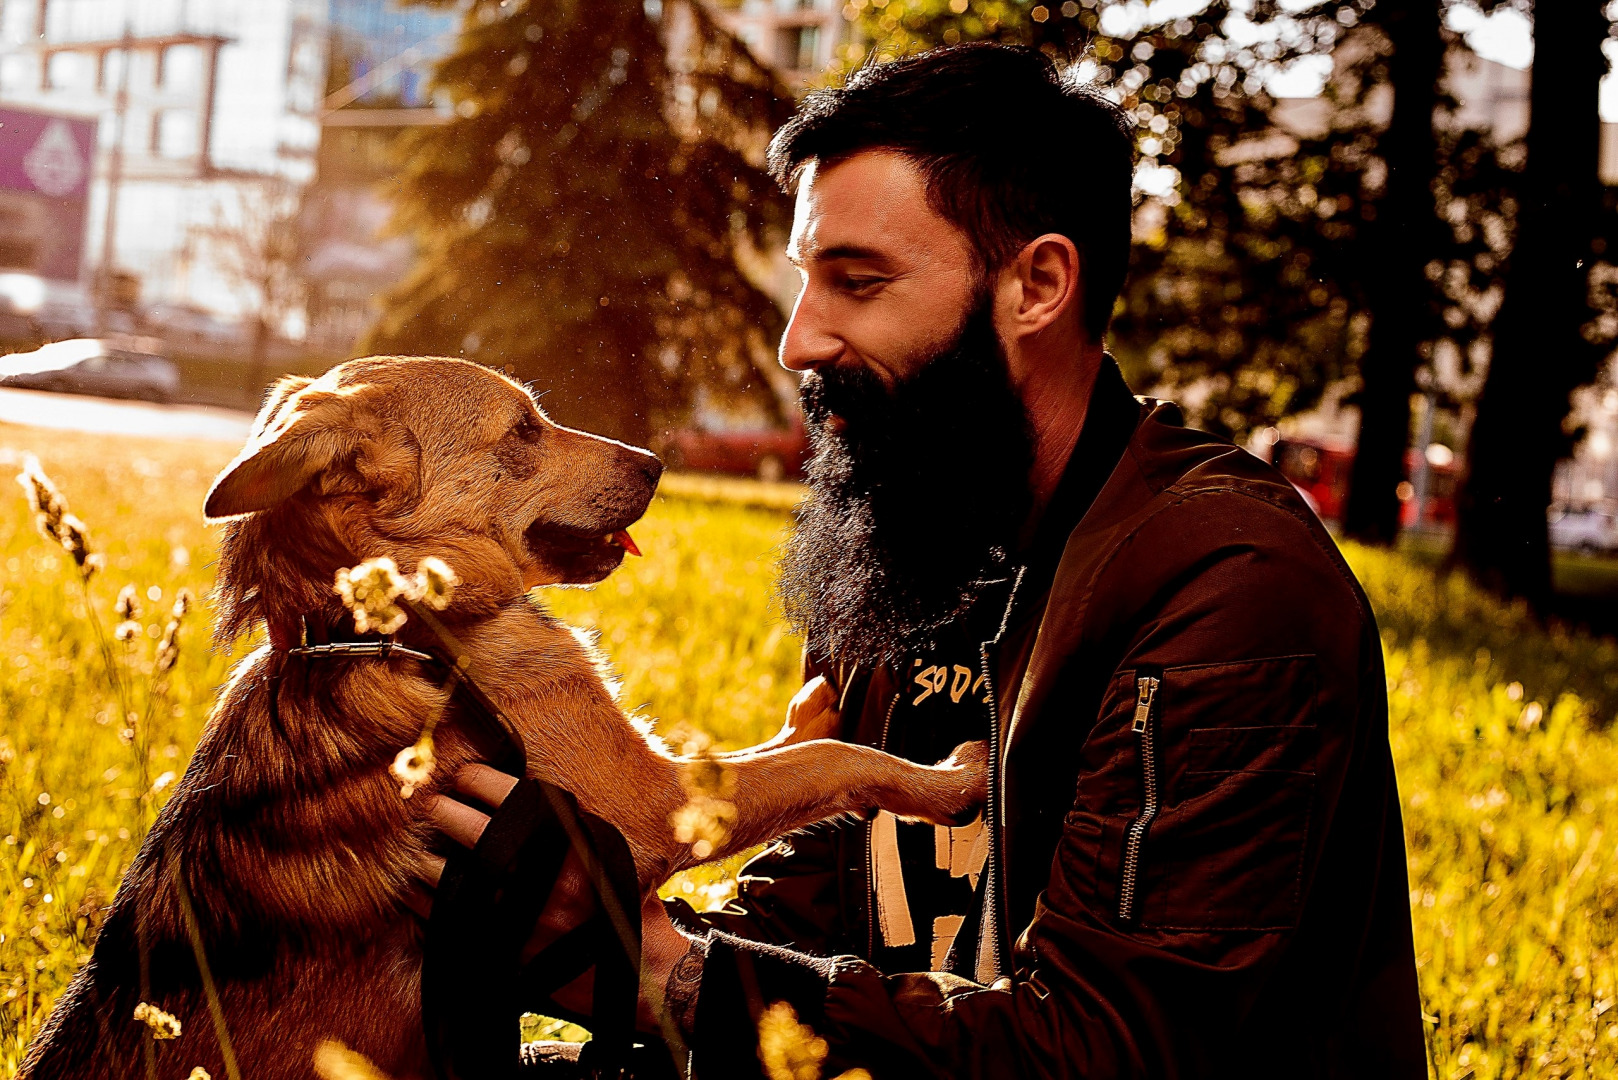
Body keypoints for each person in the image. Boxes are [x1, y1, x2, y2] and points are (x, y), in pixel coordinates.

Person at [428, 44, 1427, 1078]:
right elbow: (839, 898)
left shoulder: (1226, 584)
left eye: (857, 283)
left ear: (1035, 284)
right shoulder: (929, 525)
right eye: (806, 282)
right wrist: (590, 900)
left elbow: (1115, 1050)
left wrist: (663, 970)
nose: (797, 342)